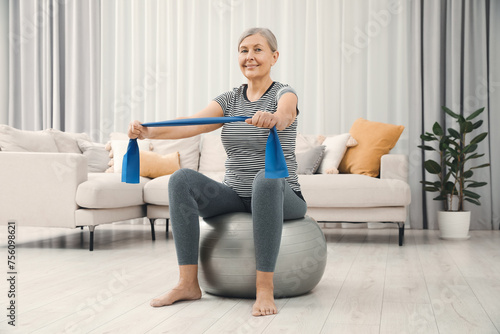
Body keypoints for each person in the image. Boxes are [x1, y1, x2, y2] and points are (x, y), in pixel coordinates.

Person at [128, 27, 307, 317]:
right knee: (181, 179)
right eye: (244, 50)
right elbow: (190, 123)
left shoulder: (284, 93)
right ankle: (187, 284)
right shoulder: (229, 100)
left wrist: (273, 118)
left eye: (258, 50)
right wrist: (147, 132)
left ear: (274, 56)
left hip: (283, 196)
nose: (250, 56)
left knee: (266, 178)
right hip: (235, 194)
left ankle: (264, 288)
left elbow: (286, 115)